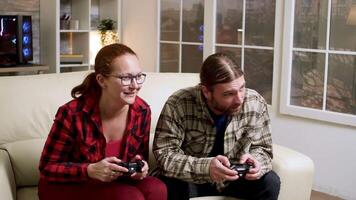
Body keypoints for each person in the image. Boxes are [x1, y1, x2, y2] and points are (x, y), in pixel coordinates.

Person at [38, 43, 167, 200]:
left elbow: (140, 156)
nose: (135, 86)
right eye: (126, 78)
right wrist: (90, 170)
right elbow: (47, 168)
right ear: (101, 80)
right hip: (70, 184)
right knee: (129, 197)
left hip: (112, 182)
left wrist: (139, 167)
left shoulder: (142, 110)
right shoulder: (72, 113)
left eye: (138, 77)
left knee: (157, 188)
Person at [152, 53, 280, 200]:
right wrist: (206, 168)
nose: (239, 99)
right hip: (192, 180)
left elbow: (263, 149)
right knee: (168, 185)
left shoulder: (255, 102)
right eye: (229, 94)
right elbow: (165, 155)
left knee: (270, 182)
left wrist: (257, 162)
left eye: (242, 88)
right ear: (206, 91)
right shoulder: (179, 103)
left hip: (235, 179)